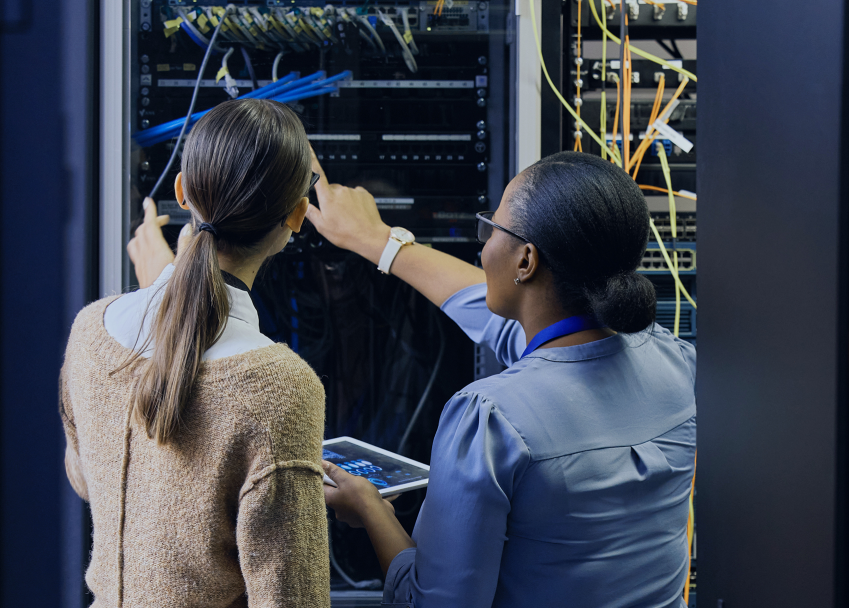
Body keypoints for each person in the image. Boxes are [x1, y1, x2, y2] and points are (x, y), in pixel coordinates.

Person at [308, 151, 697, 608]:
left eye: (491, 227)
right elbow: (498, 315)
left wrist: (370, 509)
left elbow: (434, 603)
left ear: (527, 260)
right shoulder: (676, 361)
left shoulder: (492, 418)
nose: (483, 244)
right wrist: (375, 240)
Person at [59, 99, 330, 608]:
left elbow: (87, 478)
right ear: (297, 216)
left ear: (181, 190)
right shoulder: (280, 387)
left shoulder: (91, 330)